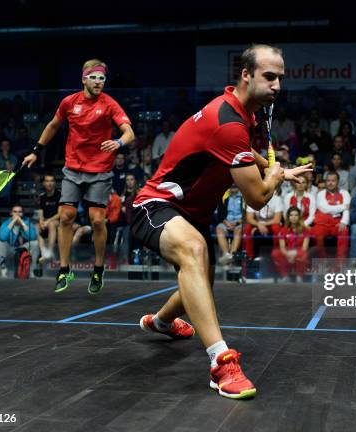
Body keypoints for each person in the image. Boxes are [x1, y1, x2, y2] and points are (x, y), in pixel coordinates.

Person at [130, 44, 311, 399]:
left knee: (200, 283)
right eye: (269, 77)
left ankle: (161, 322)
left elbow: (242, 148)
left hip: (193, 215)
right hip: (155, 206)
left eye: (281, 79)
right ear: (246, 75)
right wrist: (273, 177)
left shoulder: (238, 114)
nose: (276, 85)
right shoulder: (227, 122)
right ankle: (221, 363)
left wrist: (278, 169)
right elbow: (258, 198)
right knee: (194, 252)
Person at [23, 59, 135, 294]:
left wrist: (117, 142)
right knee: (66, 216)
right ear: (84, 79)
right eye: (94, 77)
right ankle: (64, 269)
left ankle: (98, 268)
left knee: (96, 220)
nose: (98, 82)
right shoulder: (69, 102)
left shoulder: (110, 104)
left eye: (102, 78)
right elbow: (53, 126)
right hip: (73, 169)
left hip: (100, 170)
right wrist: (36, 151)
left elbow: (129, 133)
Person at [313, 172, 351, 259]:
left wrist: (344, 222)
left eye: (333, 181)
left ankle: (340, 263)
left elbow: (347, 211)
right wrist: (343, 206)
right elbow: (325, 209)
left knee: (344, 232)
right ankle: (322, 261)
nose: (330, 183)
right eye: (328, 180)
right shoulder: (320, 194)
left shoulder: (345, 193)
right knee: (317, 233)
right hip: (322, 223)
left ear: (338, 181)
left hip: (337, 222)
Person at [0, 205, 39, 278]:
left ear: (23, 213)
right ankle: (3, 270)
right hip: (11, 249)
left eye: (20, 212)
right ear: (11, 213)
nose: (17, 214)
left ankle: (32, 270)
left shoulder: (27, 222)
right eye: (15, 212)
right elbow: (2, 237)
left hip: (24, 249)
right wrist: (13, 222)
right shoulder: (6, 223)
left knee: (35, 243)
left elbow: (33, 237)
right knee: (0, 243)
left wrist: (22, 222)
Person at [271, 206, 310, 282]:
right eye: (291, 215)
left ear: (299, 217)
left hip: (298, 252)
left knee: (304, 254)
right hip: (287, 252)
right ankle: (285, 276)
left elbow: (304, 248)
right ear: (288, 217)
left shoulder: (305, 230)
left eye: (296, 215)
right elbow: (282, 247)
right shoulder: (283, 230)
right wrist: (288, 255)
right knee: (275, 253)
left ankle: (299, 276)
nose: (294, 217)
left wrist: (294, 254)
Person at [215, 184, 244, 265]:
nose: (233, 187)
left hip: (239, 222)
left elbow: (246, 215)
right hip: (226, 222)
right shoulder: (224, 197)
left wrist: (237, 223)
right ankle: (226, 254)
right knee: (219, 229)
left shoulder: (244, 197)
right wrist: (226, 223)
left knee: (238, 231)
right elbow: (220, 215)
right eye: (231, 186)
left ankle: (232, 255)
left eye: (235, 186)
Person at [37, 174, 61, 262]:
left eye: (51, 181)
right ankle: (44, 252)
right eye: (47, 181)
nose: (49, 183)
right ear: (43, 183)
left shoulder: (60, 195)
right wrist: (41, 222)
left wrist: (47, 222)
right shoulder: (41, 196)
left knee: (51, 224)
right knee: (35, 227)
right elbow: (40, 212)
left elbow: (59, 214)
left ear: (54, 183)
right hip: (46, 221)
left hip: (56, 221)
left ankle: (50, 252)